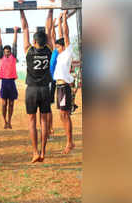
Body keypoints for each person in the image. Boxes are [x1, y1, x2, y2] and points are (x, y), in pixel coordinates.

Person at [19, 0, 54, 163]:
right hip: (45, 89)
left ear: (34, 42)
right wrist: (50, 10)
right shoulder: (49, 49)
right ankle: (43, 151)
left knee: (32, 121)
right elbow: (49, 28)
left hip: (32, 90)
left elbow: (25, 28)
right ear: (46, 41)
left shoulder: (28, 50)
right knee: (44, 121)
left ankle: (35, 152)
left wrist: (21, 10)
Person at [53, 10, 75, 154]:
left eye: (58, 46)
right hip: (59, 87)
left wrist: (65, 18)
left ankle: (69, 142)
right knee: (62, 115)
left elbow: (65, 35)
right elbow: (61, 35)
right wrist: (59, 21)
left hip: (64, 87)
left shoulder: (67, 52)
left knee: (65, 114)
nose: (56, 49)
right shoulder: (61, 55)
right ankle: (69, 141)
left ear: (63, 47)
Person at [0, 26, 19, 129]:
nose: (6, 52)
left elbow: (15, 45)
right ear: (3, 52)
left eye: (8, 51)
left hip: (12, 82)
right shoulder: (1, 57)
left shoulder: (13, 57)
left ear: (10, 52)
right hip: (4, 83)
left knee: (11, 104)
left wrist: (15, 32)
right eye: (5, 51)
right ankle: (5, 121)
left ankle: (9, 121)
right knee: (4, 104)